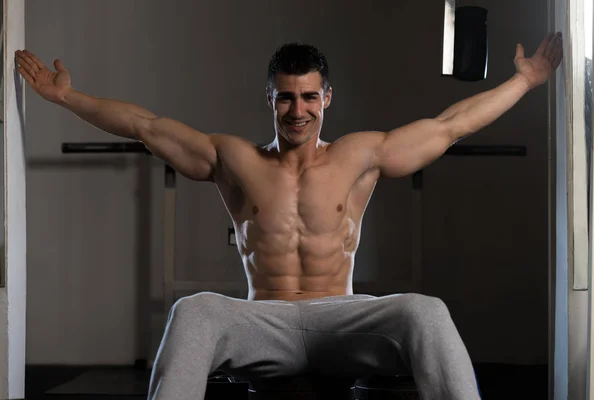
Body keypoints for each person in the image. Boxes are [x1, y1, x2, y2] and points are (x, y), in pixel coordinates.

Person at [15, 32, 562, 400]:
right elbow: (145, 125)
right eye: (284, 98)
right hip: (263, 324)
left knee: (426, 311)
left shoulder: (360, 155)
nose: (296, 110)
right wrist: (67, 99)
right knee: (194, 311)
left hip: (342, 321)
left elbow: (451, 126)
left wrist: (525, 81)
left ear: (326, 97)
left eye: (307, 97)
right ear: (269, 100)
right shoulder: (233, 158)